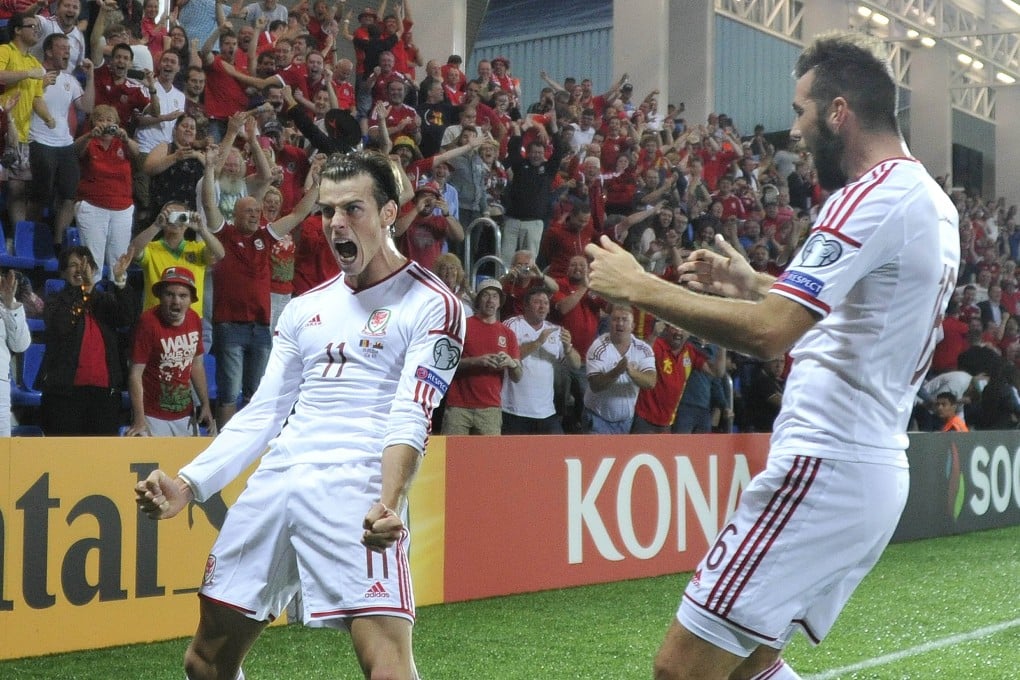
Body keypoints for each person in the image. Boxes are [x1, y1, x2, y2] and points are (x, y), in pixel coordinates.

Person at [584, 32, 959, 679]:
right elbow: (853, 315)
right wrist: (755, 284)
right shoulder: (929, 201)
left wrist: (642, 288)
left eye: (800, 111)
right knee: (752, 664)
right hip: (865, 466)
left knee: (682, 668)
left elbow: (769, 334)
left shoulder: (869, 196)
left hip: (826, 463)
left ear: (838, 112)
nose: (794, 130)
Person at [135, 150, 465, 680]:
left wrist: (390, 499)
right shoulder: (304, 308)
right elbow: (263, 413)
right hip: (278, 483)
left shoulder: (430, 302)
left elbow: (412, 412)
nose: (336, 224)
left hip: (358, 487)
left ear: (387, 213)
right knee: (205, 662)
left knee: (387, 667)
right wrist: (190, 485)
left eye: (352, 209)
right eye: (327, 212)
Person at [40, 246, 138, 435]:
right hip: (65, 396)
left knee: (100, 459)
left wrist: (119, 280)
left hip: (105, 396)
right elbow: (62, 325)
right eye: (73, 265)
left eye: (84, 265)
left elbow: (126, 317)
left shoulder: (105, 301)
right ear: (63, 272)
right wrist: (85, 290)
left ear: (93, 270)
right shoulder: (55, 301)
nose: (80, 270)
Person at [126, 266, 214, 436]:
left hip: (185, 415)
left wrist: (205, 404)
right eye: (170, 294)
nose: (176, 301)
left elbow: (196, 365)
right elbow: (135, 374)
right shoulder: (148, 322)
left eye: (183, 296)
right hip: (152, 415)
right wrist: (139, 418)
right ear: (159, 296)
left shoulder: (195, 319)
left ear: (191, 299)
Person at [443, 278, 521, 436]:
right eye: (486, 295)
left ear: (500, 302)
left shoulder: (508, 334)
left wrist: (511, 363)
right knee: (453, 458)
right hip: (458, 406)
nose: (490, 300)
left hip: (490, 409)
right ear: (478, 300)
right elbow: (444, 363)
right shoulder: (462, 326)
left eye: (495, 296)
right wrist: (475, 361)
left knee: (489, 459)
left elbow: (517, 376)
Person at [501, 288, 580, 434]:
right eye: (537, 302)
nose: (542, 306)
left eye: (545, 303)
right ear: (525, 306)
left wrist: (568, 348)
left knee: (554, 454)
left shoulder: (555, 330)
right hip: (514, 410)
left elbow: (576, 364)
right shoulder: (511, 325)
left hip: (546, 412)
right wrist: (537, 342)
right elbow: (506, 356)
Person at [583, 305, 656, 434]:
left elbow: (650, 382)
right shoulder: (598, 347)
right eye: (615, 319)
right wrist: (616, 372)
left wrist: (632, 373)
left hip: (625, 421)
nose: (620, 323)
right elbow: (595, 385)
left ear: (632, 326)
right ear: (609, 323)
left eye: (624, 319)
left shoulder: (643, 349)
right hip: (598, 419)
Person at [0, 269, 31, 436]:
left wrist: (10, 304)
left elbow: (20, 345)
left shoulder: (4, 307)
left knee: (2, 455)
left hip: (0, 386)